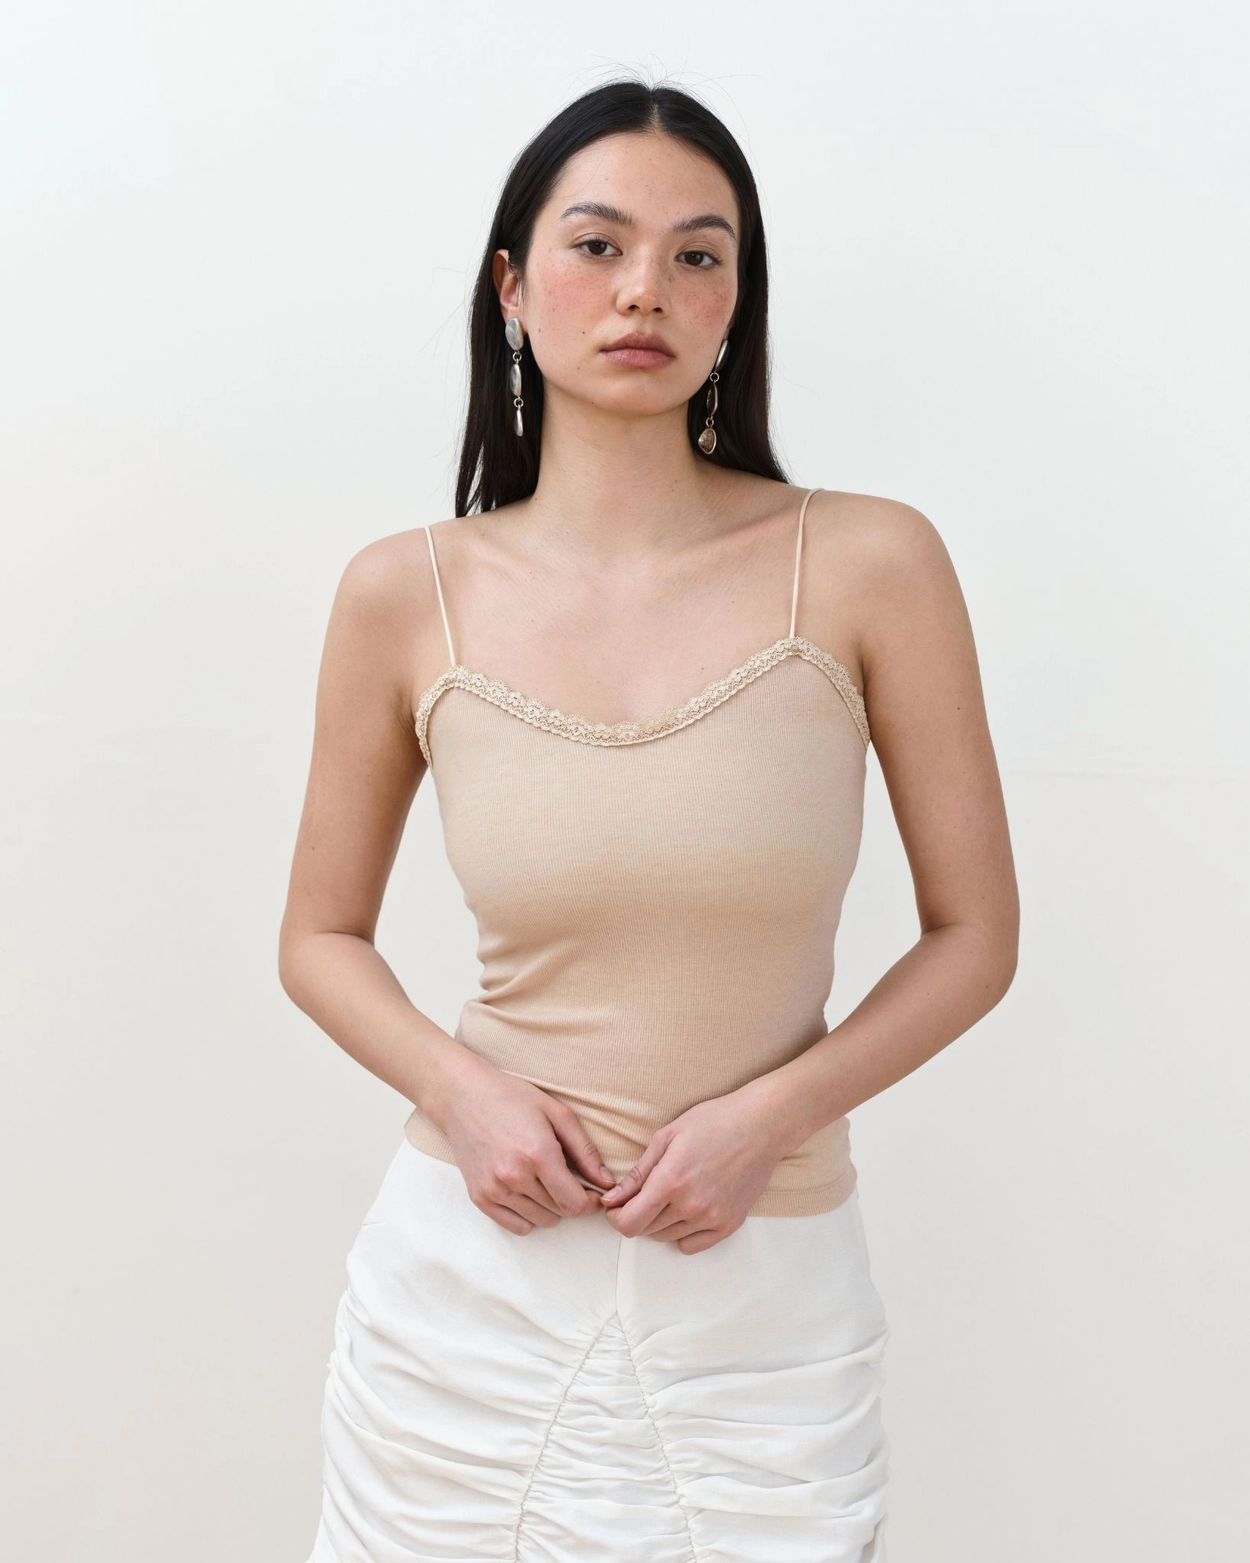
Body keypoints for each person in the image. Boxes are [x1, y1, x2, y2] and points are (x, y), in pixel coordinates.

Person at [280, 77, 1019, 1563]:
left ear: (738, 299)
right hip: (464, 1301)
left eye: (697, 255)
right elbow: (318, 936)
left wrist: (772, 1117)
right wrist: (464, 1094)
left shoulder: (867, 563)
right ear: (510, 285)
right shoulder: (403, 592)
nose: (645, 291)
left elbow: (975, 936)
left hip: (764, 1302)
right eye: (597, 244)